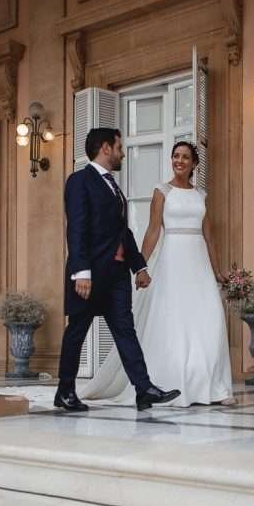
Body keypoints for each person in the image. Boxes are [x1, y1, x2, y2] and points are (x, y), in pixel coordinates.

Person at [80, 141, 235, 407]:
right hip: (173, 260)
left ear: (194, 163)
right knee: (175, 321)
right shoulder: (162, 191)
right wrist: (140, 265)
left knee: (210, 319)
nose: (179, 161)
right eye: (176, 156)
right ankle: (174, 383)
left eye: (185, 157)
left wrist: (217, 270)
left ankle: (214, 388)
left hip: (199, 263)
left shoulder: (201, 195)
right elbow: (153, 231)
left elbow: (209, 237)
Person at [55, 127, 181, 412]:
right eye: (119, 147)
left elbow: (122, 232)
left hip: (116, 276)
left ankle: (144, 389)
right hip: (90, 274)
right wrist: (81, 272)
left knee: (126, 330)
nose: (122, 153)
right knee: (77, 331)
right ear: (105, 148)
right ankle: (65, 391)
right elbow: (76, 228)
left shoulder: (113, 186)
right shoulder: (79, 181)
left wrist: (139, 267)